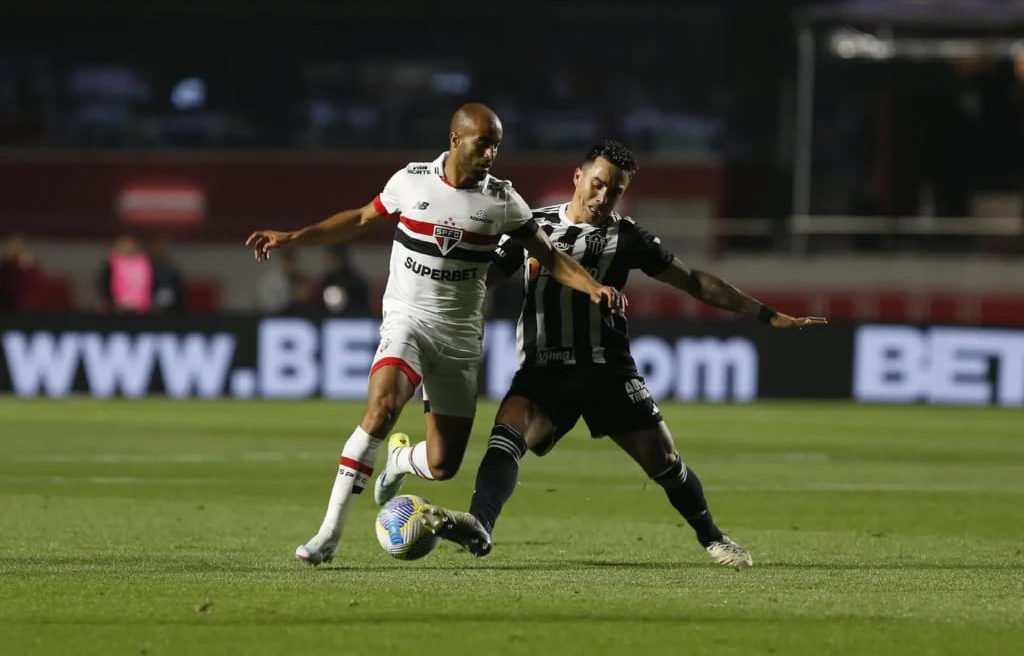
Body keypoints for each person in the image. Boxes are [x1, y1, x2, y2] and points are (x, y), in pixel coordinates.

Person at [245, 103, 623, 566]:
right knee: (382, 409)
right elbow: (362, 218)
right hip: (407, 319)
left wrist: (593, 286)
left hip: (460, 338)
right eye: (483, 144)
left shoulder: (503, 201)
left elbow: (550, 255)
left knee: (443, 466)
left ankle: (402, 461)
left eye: (496, 146)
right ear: (455, 140)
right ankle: (328, 534)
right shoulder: (411, 181)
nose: (491, 154)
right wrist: (293, 237)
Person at [432, 139, 827, 566]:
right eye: (598, 184)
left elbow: (693, 281)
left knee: (665, 462)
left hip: (609, 372)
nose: (603, 198)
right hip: (544, 371)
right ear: (578, 177)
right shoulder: (532, 227)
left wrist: (767, 315)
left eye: (614, 191)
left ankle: (712, 537)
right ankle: (480, 526)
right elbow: (483, 278)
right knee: (505, 439)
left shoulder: (628, 236)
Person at [95, 234, 153, 313]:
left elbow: (149, 284)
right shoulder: (112, 264)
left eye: (130, 246)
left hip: (140, 307)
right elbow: (104, 284)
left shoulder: (143, 264)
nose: (127, 248)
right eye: (124, 246)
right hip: (116, 307)